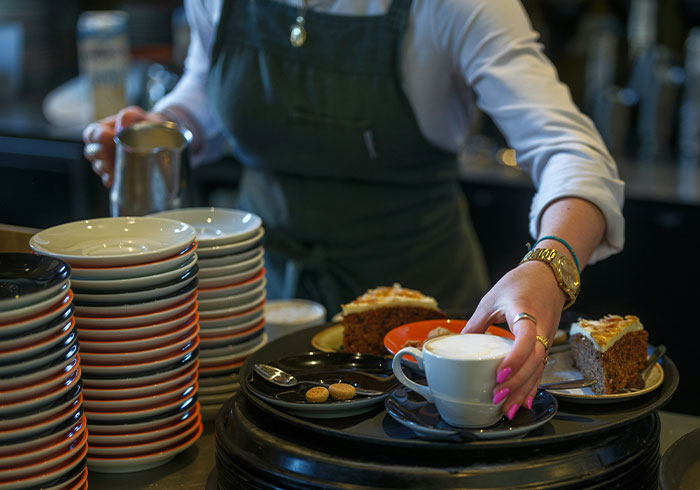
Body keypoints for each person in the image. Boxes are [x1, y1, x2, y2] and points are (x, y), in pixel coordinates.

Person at [82, 0, 624, 420]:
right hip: (261, 309)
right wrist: (162, 132)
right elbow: (208, 84)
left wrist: (549, 267)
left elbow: (573, 152)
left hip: (426, 331)